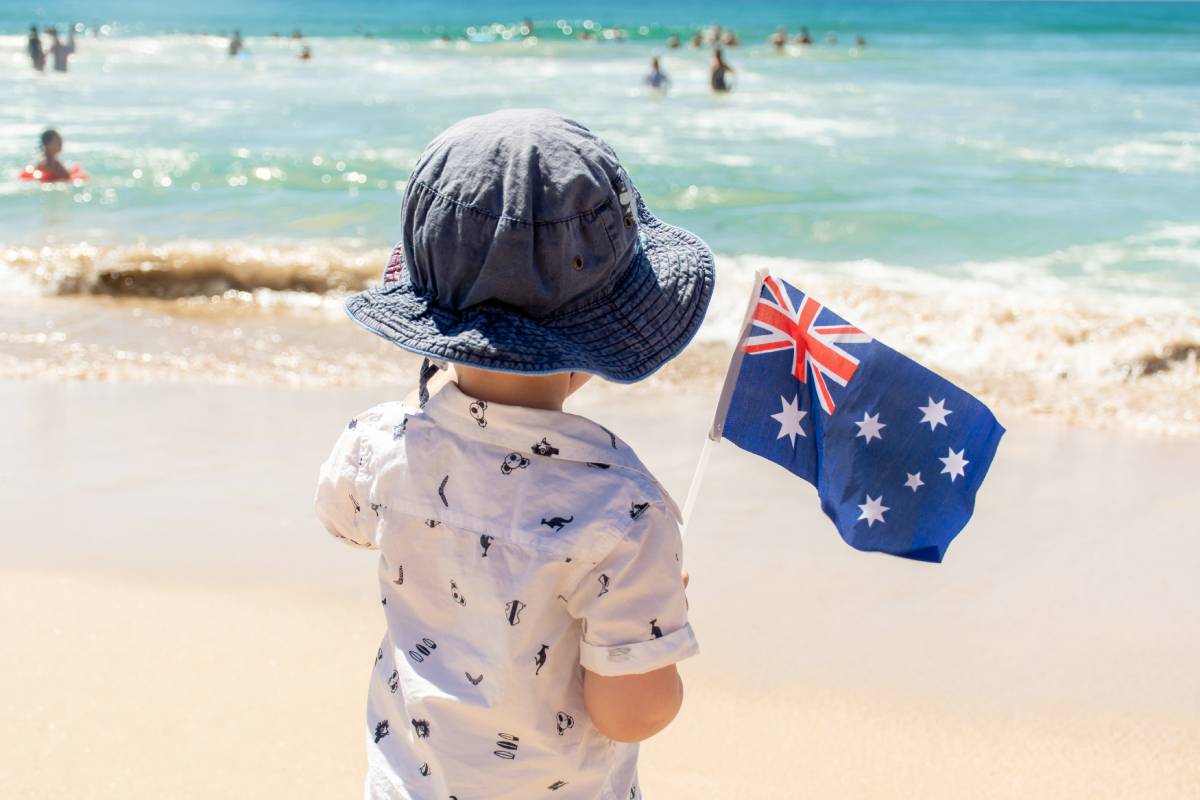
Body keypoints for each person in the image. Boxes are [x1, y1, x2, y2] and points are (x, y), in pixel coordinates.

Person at [315, 109, 711, 800]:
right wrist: (656, 622)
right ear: (601, 334)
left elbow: (344, 520)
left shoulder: (380, 442)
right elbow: (631, 714)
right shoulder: (621, 511)